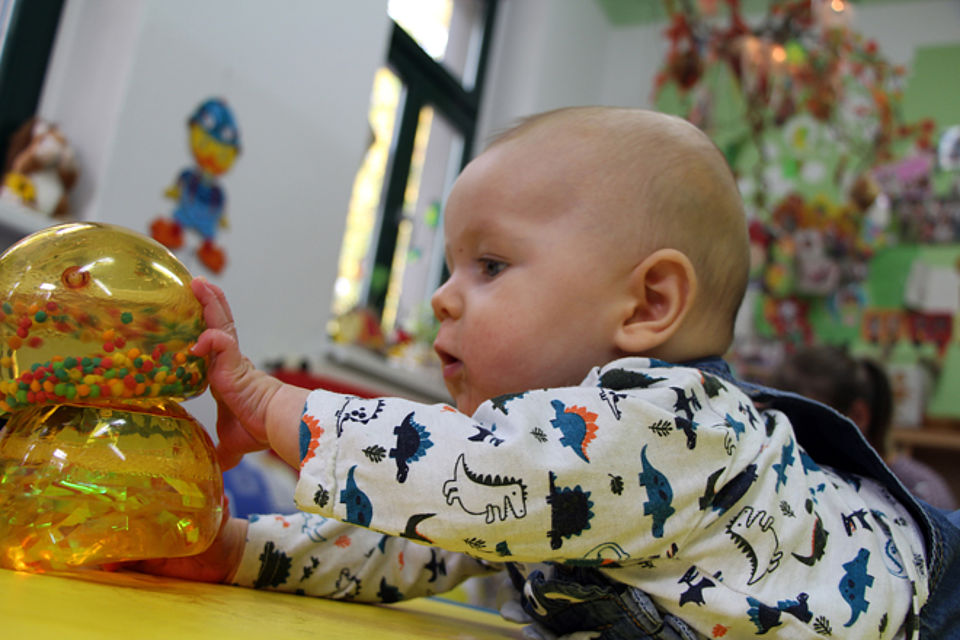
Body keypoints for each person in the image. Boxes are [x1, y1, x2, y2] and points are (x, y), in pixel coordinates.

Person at [130, 108, 958, 639]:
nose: (445, 300)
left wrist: (277, 404)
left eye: (489, 265)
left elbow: (462, 469)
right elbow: (408, 542)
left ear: (648, 304)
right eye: (450, 269)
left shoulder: (675, 422)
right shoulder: (528, 473)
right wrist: (235, 550)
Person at [770, 344, 957, 511]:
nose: (786, 437)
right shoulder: (792, 480)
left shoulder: (920, 494)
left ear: (858, 416)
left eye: (802, 424)